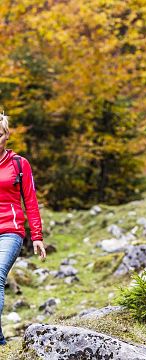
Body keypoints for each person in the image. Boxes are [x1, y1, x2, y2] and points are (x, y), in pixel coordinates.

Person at [0, 113, 46, 345]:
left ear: (6, 135)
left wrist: (36, 236)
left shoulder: (19, 163)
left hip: (11, 229)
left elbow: (31, 200)